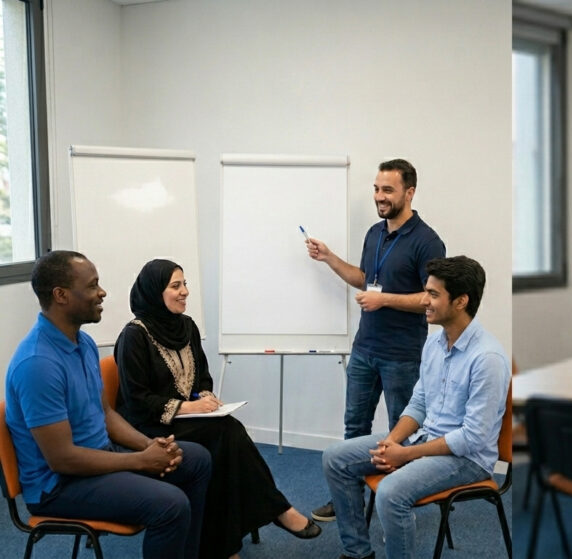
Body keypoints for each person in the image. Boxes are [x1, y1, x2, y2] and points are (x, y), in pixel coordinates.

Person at [5, 250, 212, 559]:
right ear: (61, 295)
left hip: (99, 457)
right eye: (92, 286)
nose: (102, 292)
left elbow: (105, 414)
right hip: (59, 485)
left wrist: (150, 446)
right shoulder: (38, 364)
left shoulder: (83, 342)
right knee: (171, 505)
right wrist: (139, 461)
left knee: (196, 459)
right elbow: (63, 460)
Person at [113, 259, 321, 559]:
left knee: (221, 441)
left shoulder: (186, 326)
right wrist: (189, 406)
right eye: (175, 286)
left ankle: (225, 545)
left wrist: (206, 398)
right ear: (154, 292)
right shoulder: (134, 335)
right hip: (147, 427)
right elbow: (137, 399)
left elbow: (202, 377)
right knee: (225, 433)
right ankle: (276, 510)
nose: (185, 292)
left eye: (185, 284)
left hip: (189, 420)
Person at [322, 256, 510, 559]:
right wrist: (391, 443)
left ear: (461, 301)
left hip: (467, 458)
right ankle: (358, 553)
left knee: (390, 492)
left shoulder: (488, 359)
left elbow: (472, 438)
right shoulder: (434, 344)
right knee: (335, 458)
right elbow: (419, 403)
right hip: (426, 439)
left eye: (433, 294)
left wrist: (406, 455)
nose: (424, 300)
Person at [306, 158, 445, 521]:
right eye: (376, 189)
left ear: (409, 193)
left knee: (403, 436)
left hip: (402, 354)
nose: (380, 197)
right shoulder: (374, 233)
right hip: (365, 349)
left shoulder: (428, 242)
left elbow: (431, 298)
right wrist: (329, 258)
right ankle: (346, 502)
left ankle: (399, 505)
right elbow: (366, 278)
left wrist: (384, 300)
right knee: (354, 430)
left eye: (388, 190)